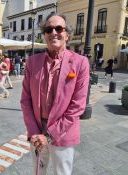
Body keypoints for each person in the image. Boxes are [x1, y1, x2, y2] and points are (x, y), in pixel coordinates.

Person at [20, 13, 90, 175]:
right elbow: (26, 100)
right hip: (37, 131)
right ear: (44, 34)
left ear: (67, 35)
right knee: (38, 171)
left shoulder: (80, 63)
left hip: (63, 133)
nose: (53, 32)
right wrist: (34, 131)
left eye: (59, 28)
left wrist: (50, 135)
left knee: (62, 172)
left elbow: (77, 106)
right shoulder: (32, 62)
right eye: (48, 29)